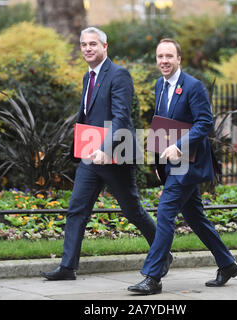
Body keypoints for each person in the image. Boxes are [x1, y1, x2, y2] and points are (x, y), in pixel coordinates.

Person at [40, 27, 172, 281]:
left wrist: (105, 150)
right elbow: (87, 115)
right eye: (83, 45)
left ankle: (163, 253)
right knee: (77, 209)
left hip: (116, 153)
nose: (88, 48)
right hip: (91, 154)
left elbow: (122, 117)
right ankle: (68, 267)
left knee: (132, 210)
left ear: (104, 47)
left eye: (93, 44)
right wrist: (83, 149)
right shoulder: (87, 76)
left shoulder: (119, 75)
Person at [128, 39, 237, 295]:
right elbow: (162, 124)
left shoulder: (193, 86)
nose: (164, 61)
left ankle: (152, 277)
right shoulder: (160, 84)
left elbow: (205, 123)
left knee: (165, 213)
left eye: (169, 56)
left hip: (189, 163)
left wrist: (179, 146)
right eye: (160, 56)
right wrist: (159, 161)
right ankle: (227, 264)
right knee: (195, 218)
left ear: (179, 59)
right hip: (172, 163)